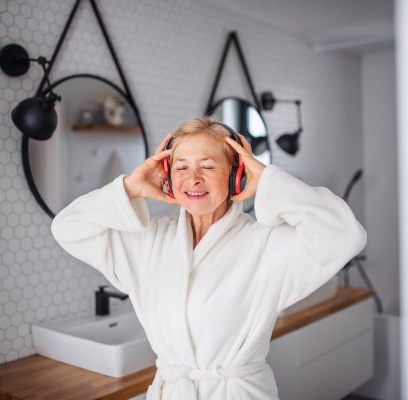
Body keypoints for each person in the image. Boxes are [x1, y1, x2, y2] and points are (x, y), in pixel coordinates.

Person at [50, 115, 367, 400]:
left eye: (208, 165)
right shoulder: (146, 242)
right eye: (181, 166)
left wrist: (269, 179)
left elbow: (345, 234)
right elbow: (66, 228)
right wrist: (129, 188)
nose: (193, 178)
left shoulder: (266, 244)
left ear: (236, 174)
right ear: (168, 175)